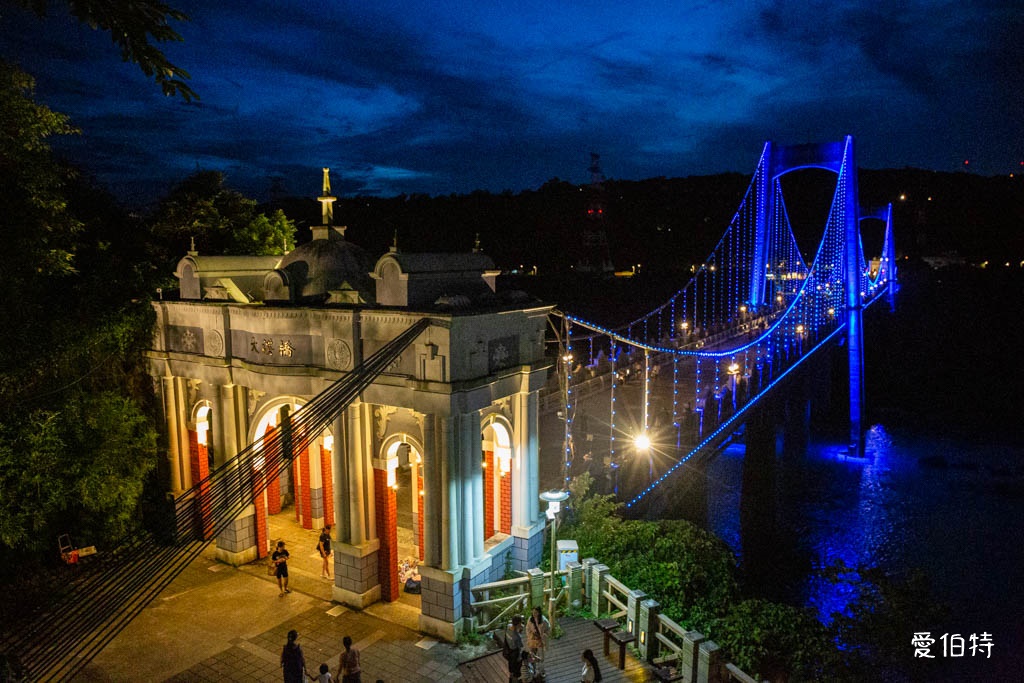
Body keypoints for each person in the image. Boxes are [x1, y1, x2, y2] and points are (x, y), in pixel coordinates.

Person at [525, 606, 550, 680]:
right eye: (533, 612)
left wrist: (544, 636)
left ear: (539, 613)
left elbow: (548, 629)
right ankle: (533, 670)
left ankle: (541, 671)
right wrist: (530, 635)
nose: (534, 614)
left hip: (540, 641)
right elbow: (527, 628)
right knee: (532, 655)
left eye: (535, 612)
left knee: (541, 657)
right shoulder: (530, 619)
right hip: (532, 640)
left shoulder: (543, 620)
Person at [504, 615, 524, 682]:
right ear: (518, 624)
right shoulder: (517, 636)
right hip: (515, 653)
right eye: (521, 622)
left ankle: (511, 676)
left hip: (508, 650)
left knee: (510, 664)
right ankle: (515, 679)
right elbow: (520, 646)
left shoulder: (508, 626)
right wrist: (520, 632)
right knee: (516, 669)